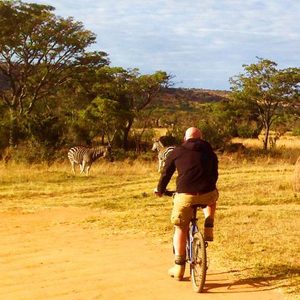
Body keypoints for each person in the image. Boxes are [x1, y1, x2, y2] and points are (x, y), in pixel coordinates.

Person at [154, 127, 219, 281]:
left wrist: (160, 190)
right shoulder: (210, 153)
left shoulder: (177, 152)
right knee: (212, 198)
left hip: (185, 196)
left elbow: (166, 174)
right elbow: (214, 174)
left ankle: (179, 267)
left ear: (185, 139)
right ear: (201, 139)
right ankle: (209, 223)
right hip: (207, 194)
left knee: (180, 228)